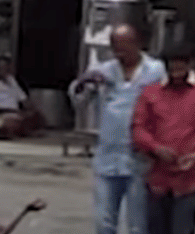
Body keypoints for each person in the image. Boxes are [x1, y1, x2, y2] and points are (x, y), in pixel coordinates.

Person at [68, 24, 166, 234]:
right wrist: (83, 83)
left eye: (124, 47)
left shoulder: (156, 70)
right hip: (108, 156)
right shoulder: (104, 70)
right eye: (115, 47)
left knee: (138, 224)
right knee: (104, 221)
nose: (119, 52)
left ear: (137, 44)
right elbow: (79, 101)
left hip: (140, 157)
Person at [131, 42, 195, 234]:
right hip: (157, 177)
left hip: (191, 179)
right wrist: (156, 148)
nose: (175, 71)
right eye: (171, 66)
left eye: (180, 65)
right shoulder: (151, 93)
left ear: (190, 64)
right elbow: (138, 128)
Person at [0, 56, 43, 135]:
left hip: (17, 112)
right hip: (2, 113)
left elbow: (23, 99)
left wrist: (31, 110)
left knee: (37, 116)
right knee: (13, 125)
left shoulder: (11, 80)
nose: (2, 69)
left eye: (5, 67)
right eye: (0, 67)